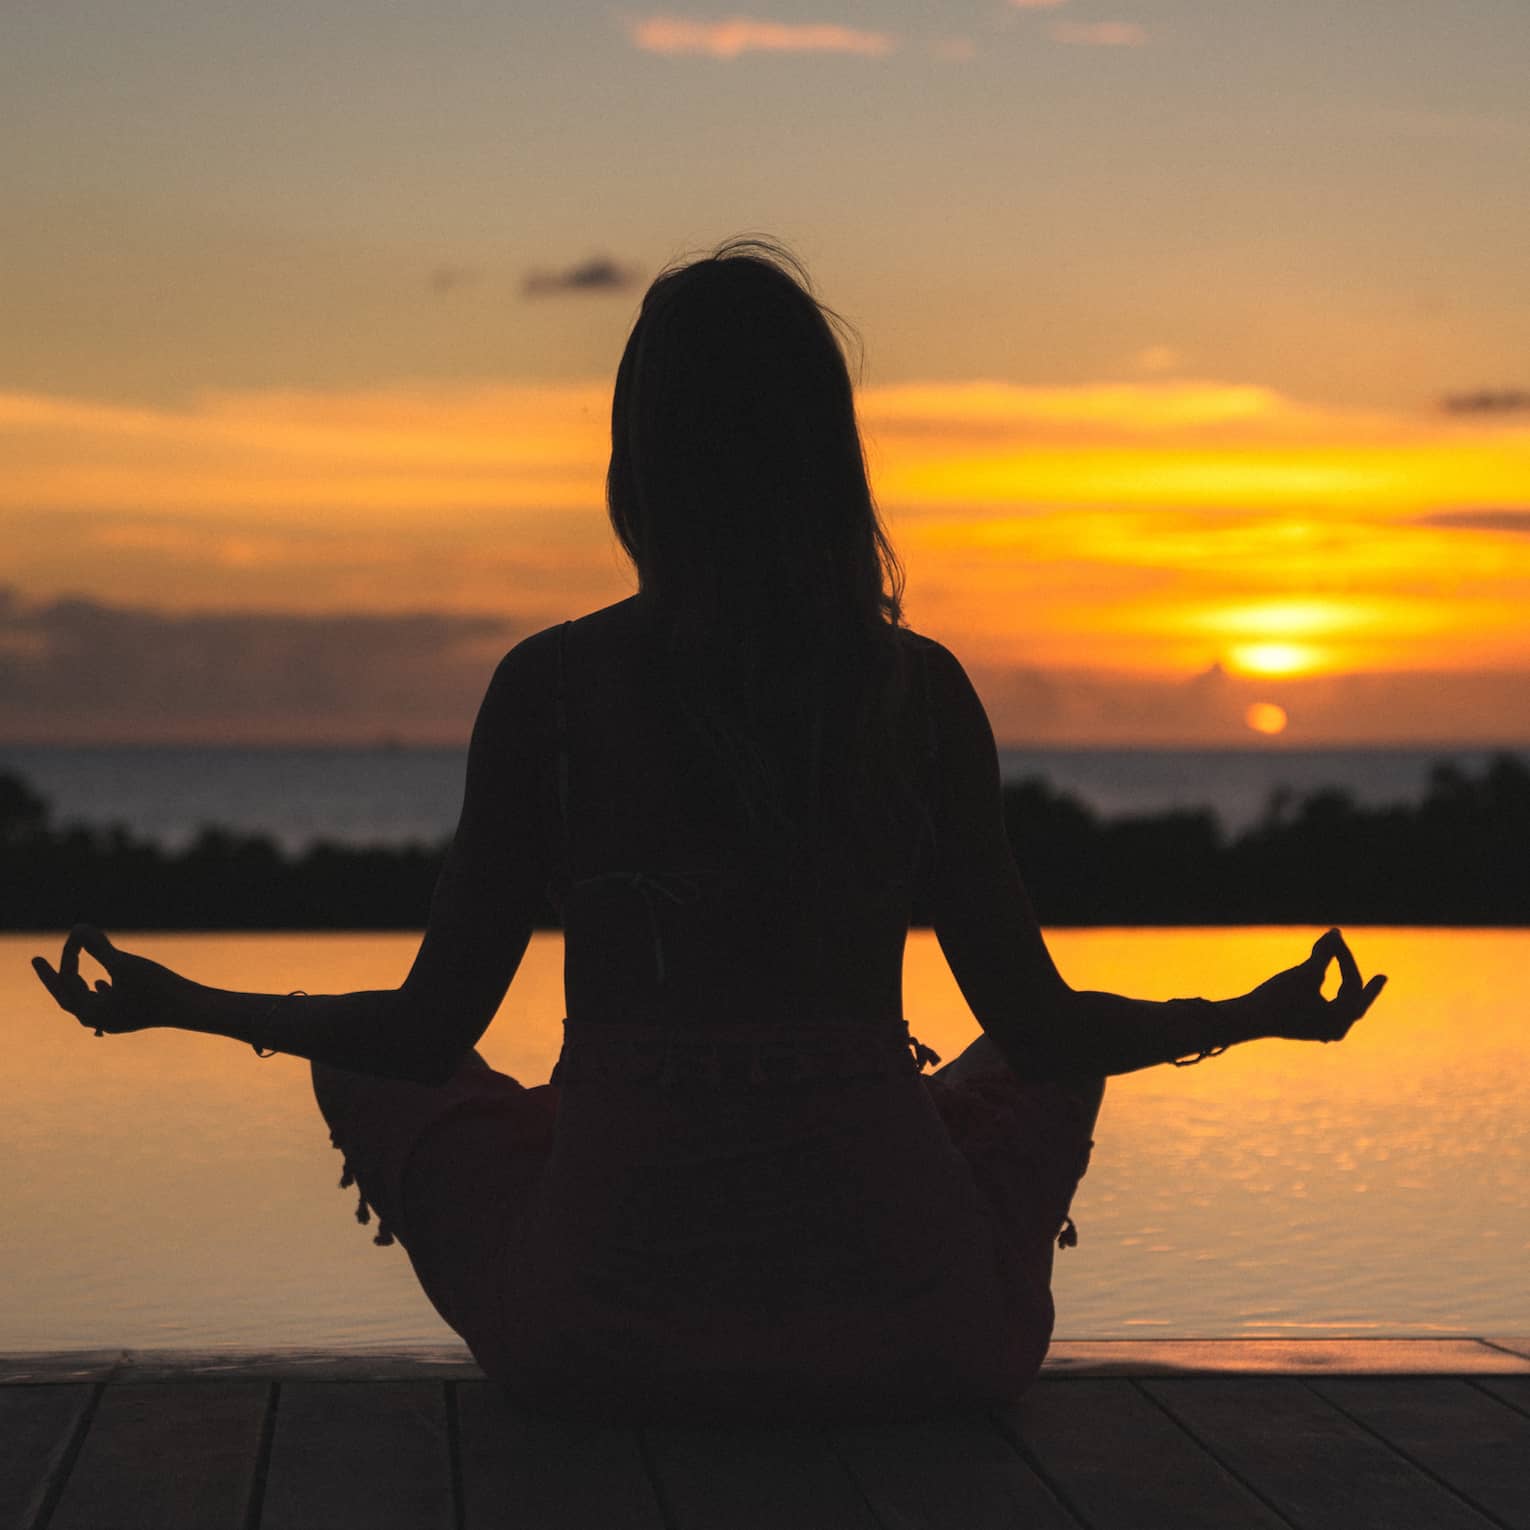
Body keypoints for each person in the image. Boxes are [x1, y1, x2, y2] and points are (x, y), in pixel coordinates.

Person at [32, 238, 1386, 1425]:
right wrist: (1249, 1011)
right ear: (827, 457)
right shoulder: (915, 693)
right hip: (917, 1336)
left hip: (598, 1339)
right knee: (1048, 1056)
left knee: (372, 1068)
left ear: (644, 458)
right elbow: (1038, 1031)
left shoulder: (549, 692)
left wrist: (183, 1000)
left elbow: (425, 1033)